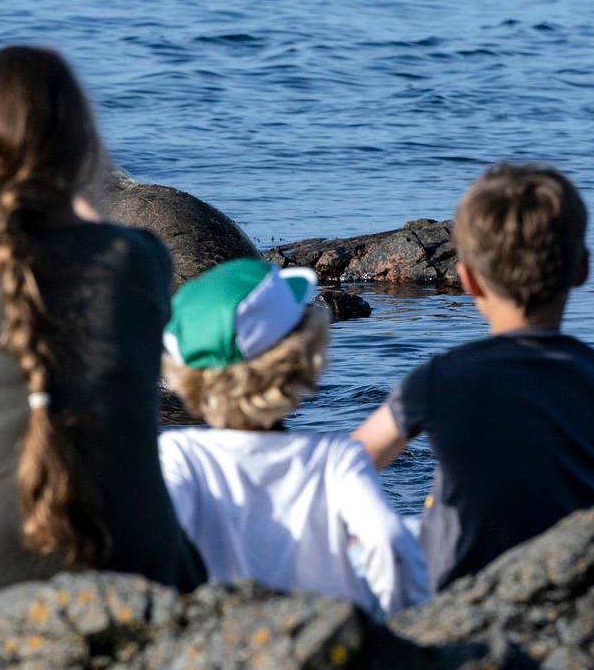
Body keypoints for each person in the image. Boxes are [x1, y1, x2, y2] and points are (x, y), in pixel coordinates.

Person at [0, 46, 204, 635]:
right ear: (83, 154)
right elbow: (93, 237)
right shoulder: (139, 259)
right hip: (140, 575)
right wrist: (81, 190)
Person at [354, 164, 594, 591]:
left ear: (467, 280)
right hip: (576, 586)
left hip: (460, 593)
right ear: (582, 270)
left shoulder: (439, 380)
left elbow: (350, 463)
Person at [159, 259, 427, 616]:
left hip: (222, 640)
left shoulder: (177, 455)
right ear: (305, 357)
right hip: (329, 640)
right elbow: (388, 541)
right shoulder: (335, 459)